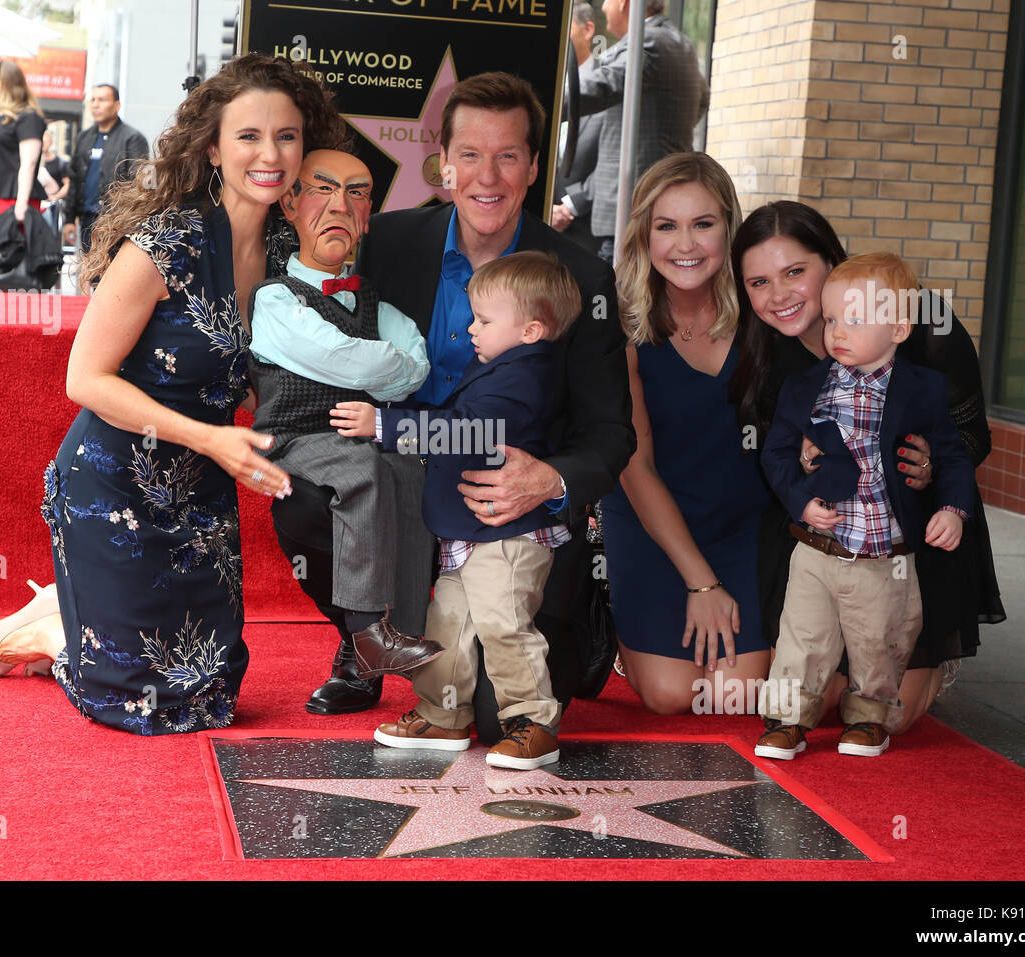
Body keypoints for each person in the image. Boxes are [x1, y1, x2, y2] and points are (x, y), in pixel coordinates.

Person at [0, 54, 349, 736]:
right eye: (248, 136)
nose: (270, 155)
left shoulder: (287, 249)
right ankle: (46, 631)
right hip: (113, 482)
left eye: (287, 136)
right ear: (213, 149)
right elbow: (84, 378)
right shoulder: (165, 243)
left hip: (201, 488)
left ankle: (75, 612)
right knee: (141, 705)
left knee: (210, 697)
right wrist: (213, 438)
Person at [271, 72, 635, 730]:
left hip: (508, 511)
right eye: (470, 154)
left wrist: (548, 479)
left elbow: (611, 432)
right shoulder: (384, 243)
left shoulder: (580, 276)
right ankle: (364, 634)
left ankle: (565, 627)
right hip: (403, 477)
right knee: (303, 494)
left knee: (496, 720)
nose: (487, 177)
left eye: (507, 156)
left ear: (533, 168)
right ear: (444, 163)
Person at [731, 200, 1006, 732]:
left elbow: (972, 436)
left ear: (831, 263)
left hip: (910, 528)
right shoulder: (765, 351)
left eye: (795, 272)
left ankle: (927, 647)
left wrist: (930, 468)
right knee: (815, 693)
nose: (779, 295)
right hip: (824, 533)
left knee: (889, 713)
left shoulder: (922, 322)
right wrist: (802, 460)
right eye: (759, 282)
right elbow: (767, 452)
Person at [341, 251, 582, 769]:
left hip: (507, 536)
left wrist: (385, 426)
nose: (471, 328)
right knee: (447, 624)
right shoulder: (500, 365)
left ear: (531, 331)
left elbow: (471, 432)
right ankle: (442, 713)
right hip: (469, 531)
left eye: (484, 320)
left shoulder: (526, 376)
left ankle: (534, 721)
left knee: (504, 624)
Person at [755, 252, 977, 759]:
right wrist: (801, 502)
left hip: (884, 555)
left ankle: (868, 718)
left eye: (854, 320)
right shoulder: (805, 388)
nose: (837, 332)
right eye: (832, 319)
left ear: (898, 329)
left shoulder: (922, 389)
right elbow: (776, 455)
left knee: (880, 641)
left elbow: (952, 458)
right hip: (817, 546)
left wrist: (952, 510)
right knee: (801, 638)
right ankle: (787, 719)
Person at [248, 148, 442, 677]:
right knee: (363, 471)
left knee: (408, 472)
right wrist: (376, 364)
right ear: (290, 204)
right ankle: (364, 632)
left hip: (361, 436)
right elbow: (339, 357)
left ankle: (403, 630)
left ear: (367, 215)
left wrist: (370, 365)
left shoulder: (380, 305)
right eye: (324, 188)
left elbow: (416, 367)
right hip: (293, 439)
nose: (340, 205)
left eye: (357, 193)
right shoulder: (276, 298)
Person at [601, 152, 771, 715]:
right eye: (666, 226)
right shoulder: (621, 326)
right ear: (644, 236)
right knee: (674, 696)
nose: (686, 244)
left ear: (729, 228)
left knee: (732, 694)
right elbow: (635, 466)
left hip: (744, 526)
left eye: (703, 224)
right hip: (650, 522)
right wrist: (702, 584)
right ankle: (621, 632)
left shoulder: (764, 314)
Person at [575, 0, 710, 262]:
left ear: (624, 3)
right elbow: (702, 100)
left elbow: (602, 87)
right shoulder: (681, 42)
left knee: (618, 285)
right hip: (655, 198)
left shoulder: (647, 41)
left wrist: (544, 97)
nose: (603, 8)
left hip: (630, 206)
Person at [65, 84, 149, 254]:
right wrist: (69, 219)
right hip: (87, 221)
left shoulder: (133, 138)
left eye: (102, 100)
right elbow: (74, 180)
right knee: (88, 267)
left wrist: (131, 221)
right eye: (93, 100)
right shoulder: (84, 137)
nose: (95, 105)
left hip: (116, 223)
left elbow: (142, 184)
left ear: (117, 105)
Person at [550, 1, 604, 255]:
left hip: (587, 232)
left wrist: (571, 205)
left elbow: (615, 160)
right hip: (538, 225)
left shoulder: (612, 84)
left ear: (588, 29)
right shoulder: (542, 82)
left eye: (564, 28)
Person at [0, 61, 45, 237]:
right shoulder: (1, 117)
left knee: (10, 251)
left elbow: (29, 162)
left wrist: (21, 203)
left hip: (13, 200)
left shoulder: (28, 117)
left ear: (3, 83)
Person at [39, 129, 71, 238]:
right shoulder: (32, 161)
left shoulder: (60, 162)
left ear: (50, 142)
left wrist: (54, 197)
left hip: (51, 207)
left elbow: (67, 184)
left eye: (45, 141)